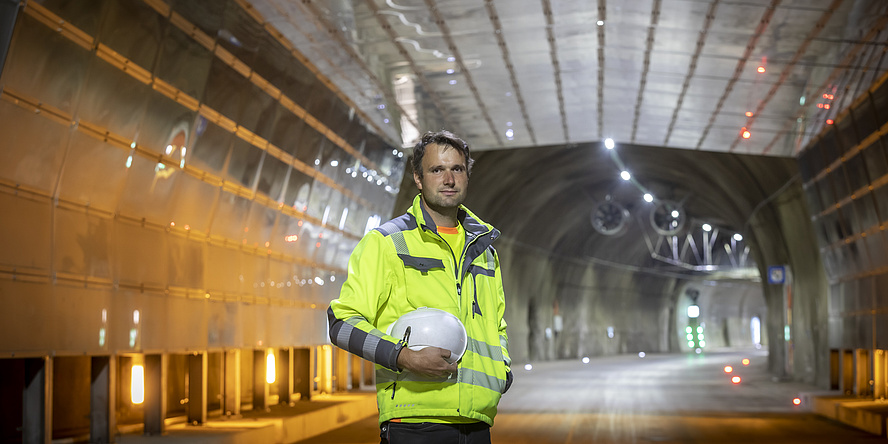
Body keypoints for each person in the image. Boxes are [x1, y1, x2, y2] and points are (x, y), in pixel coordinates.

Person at [327, 130, 512, 444]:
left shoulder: (485, 250)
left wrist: (503, 372)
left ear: (467, 175)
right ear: (418, 178)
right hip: (416, 422)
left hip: (477, 422)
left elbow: (497, 325)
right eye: (437, 170)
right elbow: (341, 324)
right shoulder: (387, 243)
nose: (449, 179)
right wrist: (403, 356)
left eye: (458, 169)